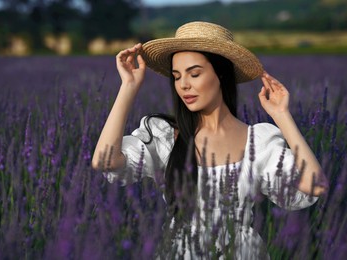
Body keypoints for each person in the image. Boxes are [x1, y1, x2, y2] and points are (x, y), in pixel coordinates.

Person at [92, 21, 328, 259]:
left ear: (222, 75)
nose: (184, 85)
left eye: (194, 74)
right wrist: (128, 87)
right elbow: (105, 161)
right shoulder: (166, 136)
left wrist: (281, 116)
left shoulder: (258, 140)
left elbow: (314, 185)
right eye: (176, 76)